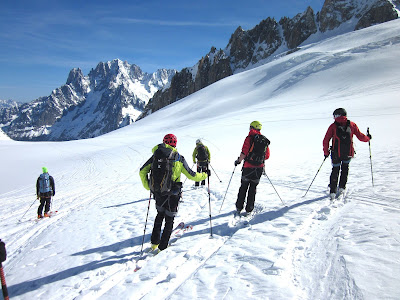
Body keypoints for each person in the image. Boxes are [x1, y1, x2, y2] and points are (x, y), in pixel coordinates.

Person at [139, 134, 209, 252]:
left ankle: (154, 243)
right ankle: (163, 247)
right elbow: (192, 175)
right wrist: (205, 175)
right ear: (175, 144)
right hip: (173, 194)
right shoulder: (178, 158)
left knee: (159, 215)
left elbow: (142, 171)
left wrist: (149, 186)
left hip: (158, 193)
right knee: (169, 219)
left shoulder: (155, 156)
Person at [323, 108, 371, 200]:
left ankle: (332, 190)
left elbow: (326, 140)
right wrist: (368, 138)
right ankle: (342, 188)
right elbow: (360, 136)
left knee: (335, 170)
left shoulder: (333, 126)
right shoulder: (352, 125)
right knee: (345, 169)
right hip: (348, 152)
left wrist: (326, 152)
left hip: (336, 153)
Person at [234, 121, 270, 215]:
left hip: (248, 168)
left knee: (243, 187)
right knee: (253, 188)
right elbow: (267, 156)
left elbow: (244, 152)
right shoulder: (264, 140)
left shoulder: (249, 138)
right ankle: (249, 208)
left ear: (252, 128)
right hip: (259, 169)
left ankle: (239, 207)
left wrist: (238, 161)